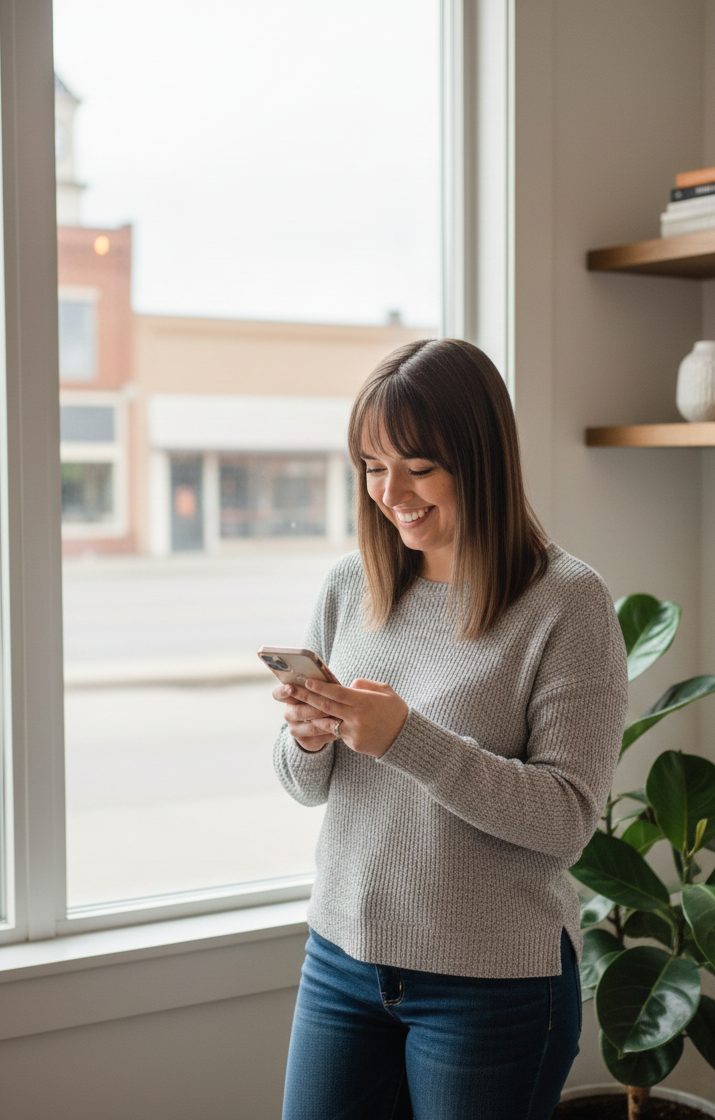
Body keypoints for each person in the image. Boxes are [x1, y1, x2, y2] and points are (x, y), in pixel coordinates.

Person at [272, 338, 627, 1120]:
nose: (390, 491)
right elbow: (307, 788)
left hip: (492, 987)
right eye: (371, 465)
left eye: (418, 466)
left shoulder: (568, 603)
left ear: (480, 457)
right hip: (341, 961)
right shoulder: (349, 585)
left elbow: (567, 819)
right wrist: (307, 737)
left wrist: (406, 737)